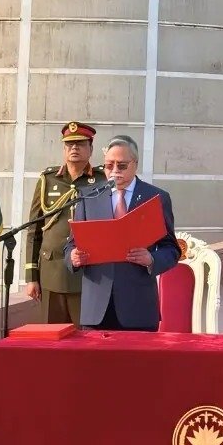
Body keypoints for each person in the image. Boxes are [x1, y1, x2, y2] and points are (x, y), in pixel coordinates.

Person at [64, 135, 181, 331]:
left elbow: (171, 249)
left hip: (138, 306)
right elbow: (70, 245)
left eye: (122, 165)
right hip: (96, 309)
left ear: (135, 164)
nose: (115, 171)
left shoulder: (156, 197)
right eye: (109, 165)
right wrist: (73, 257)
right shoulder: (88, 196)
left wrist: (151, 259)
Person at [24, 121, 107, 326]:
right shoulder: (48, 179)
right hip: (51, 272)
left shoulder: (102, 180)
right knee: (53, 336)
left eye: (80, 144)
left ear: (91, 149)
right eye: (69, 144)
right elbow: (34, 229)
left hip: (88, 272)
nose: (74, 148)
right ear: (64, 149)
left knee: (87, 334)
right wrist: (31, 276)